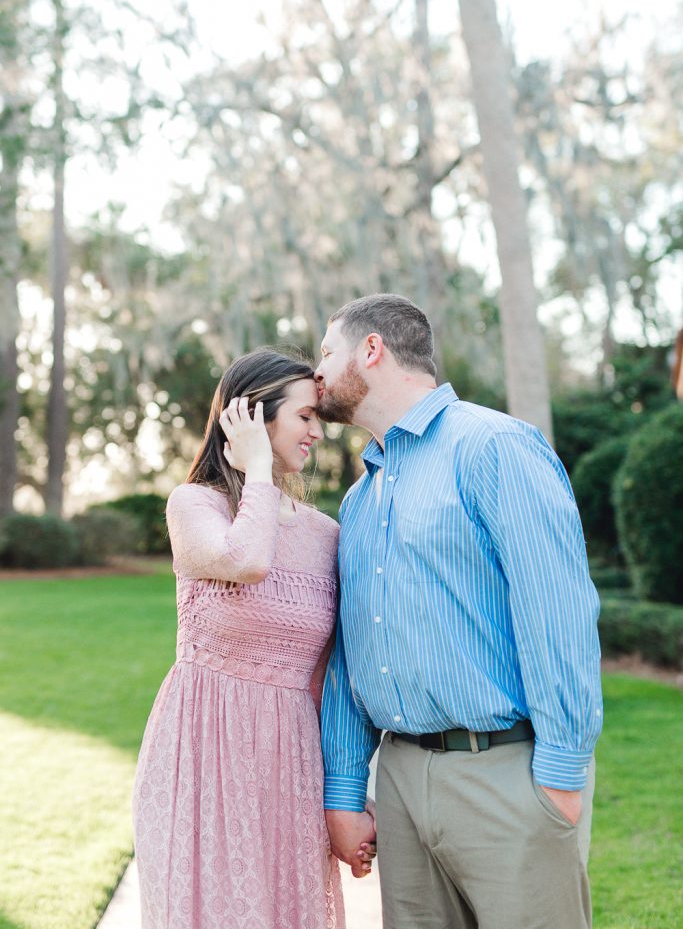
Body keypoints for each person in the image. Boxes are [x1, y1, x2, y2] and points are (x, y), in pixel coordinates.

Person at [315, 294, 603, 929]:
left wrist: (557, 778)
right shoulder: (361, 500)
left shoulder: (495, 447)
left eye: (326, 353)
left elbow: (558, 612)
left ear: (372, 349)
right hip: (399, 784)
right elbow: (349, 653)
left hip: (508, 777)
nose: (317, 374)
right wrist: (344, 790)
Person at [133, 348, 373, 929]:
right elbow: (246, 560)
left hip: (288, 760)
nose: (318, 431)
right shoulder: (193, 505)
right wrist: (258, 471)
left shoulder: (326, 534)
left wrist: (342, 792)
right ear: (251, 419)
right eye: (306, 416)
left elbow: (331, 674)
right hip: (202, 754)